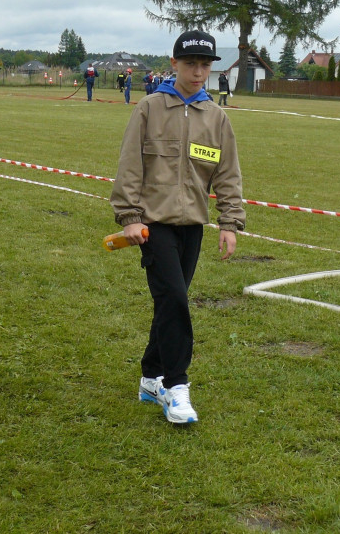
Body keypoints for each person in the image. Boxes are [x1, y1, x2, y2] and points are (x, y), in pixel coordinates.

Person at [110, 30, 245, 425]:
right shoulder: (150, 109)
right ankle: (176, 385)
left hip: (193, 227)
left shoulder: (217, 118)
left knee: (172, 301)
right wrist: (131, 218)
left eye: (205, 65)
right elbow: (130, 166)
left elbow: (228, 175)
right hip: (153, 224)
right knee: (175, 300)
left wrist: (229, 223)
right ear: (174, 64)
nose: (199, 72)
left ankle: (150, 377)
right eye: (191, 64)